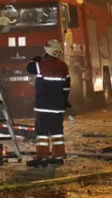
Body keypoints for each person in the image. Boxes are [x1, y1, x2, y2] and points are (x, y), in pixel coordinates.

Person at [26, 39, 72, 167]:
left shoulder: (41, 65)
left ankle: (42, 158)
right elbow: (67, 87)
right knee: (57, 132)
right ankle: (57, 157)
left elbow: (29, 69)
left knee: (42, 133)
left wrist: (34, 60)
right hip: (57, 107)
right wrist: (64, 100)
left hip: (43, 106)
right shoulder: (64, 67)